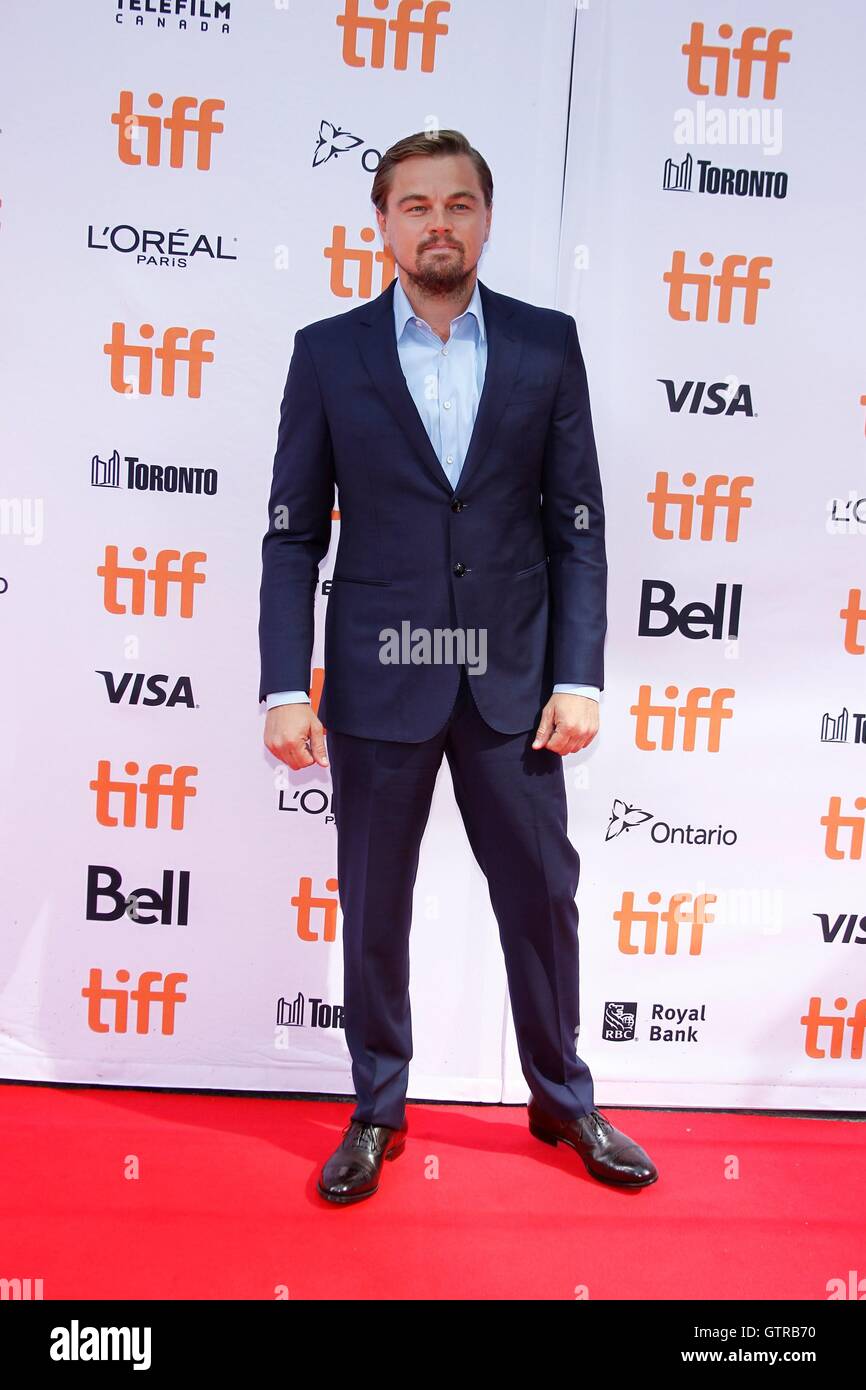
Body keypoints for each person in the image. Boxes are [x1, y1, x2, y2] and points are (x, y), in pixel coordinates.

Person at [259, 129, 658, 1203]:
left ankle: (562, 1093)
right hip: (380, 677)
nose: (437, 223)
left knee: (540, 896)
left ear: (485, 217)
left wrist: (578, 675)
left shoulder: (543, 344)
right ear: (380, 223)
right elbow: (294, 532)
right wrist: (285, 684)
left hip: (513, 685)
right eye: (415, 206)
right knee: (372, 900)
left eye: (458, 204)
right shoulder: (327, 353)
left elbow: (576, 524)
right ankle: (376, 1104)